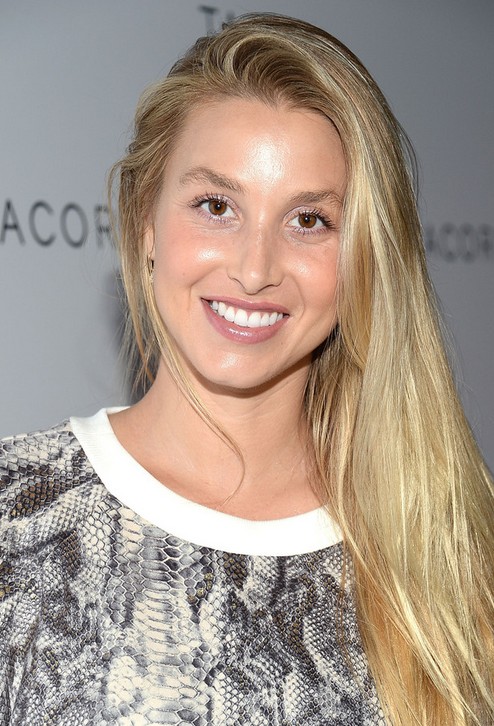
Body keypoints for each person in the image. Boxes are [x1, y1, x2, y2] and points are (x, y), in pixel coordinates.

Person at [0, 12, 492, 725]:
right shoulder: (16, 516)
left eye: (309, 221)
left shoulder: (452, 553)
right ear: (144, 222)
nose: (255, 269)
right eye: (216, 206)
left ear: (364, 259)